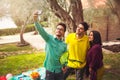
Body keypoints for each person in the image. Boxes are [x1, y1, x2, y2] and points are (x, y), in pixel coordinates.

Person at [33, 11, 67, 80]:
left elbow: (64, 57)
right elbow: (41, 30)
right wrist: (35, 20)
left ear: (63, 33)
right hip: (50, 70)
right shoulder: (49, 38)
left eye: (61, 29)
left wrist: (64, 66)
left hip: (59, 71)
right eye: (58, 28)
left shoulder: (64, 45)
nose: (59, 30)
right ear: (55, 30)